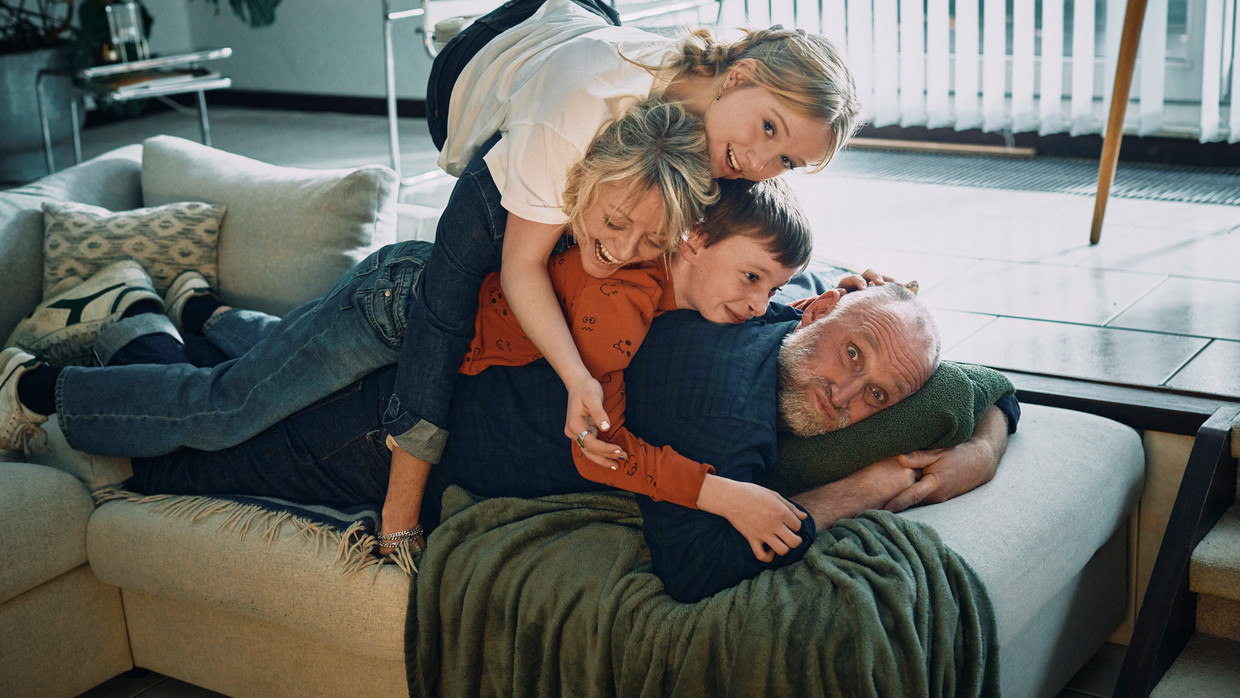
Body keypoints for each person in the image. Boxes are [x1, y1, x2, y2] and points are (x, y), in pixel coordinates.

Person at [0, 98, 715, 548]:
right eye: (613, 223)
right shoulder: (545, 191)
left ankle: (198, 309)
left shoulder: (643, 254)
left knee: (277, 365)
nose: (620, 250)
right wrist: (399, 517)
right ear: (584, 185)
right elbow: (438, 363)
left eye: (649, 243)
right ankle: (38, 388)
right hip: (392, 311)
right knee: (228, 407)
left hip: (410, 320)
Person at [406, 0, 862, 502]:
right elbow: (522, 265)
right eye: (769, 127)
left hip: (582, 20)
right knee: (467, 278)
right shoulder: (580, 112)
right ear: (738, 76)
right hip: (477, 63)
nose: (758, 162)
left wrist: (837, 308)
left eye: (787, 161)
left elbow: (748, 248)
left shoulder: (726, 142)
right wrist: (576, 376)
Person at [433, 281, 1018, 601]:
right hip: (405, 419)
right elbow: (696, 570)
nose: (844, 396)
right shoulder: (732, 416)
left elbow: (988, 386)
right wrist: (862, 489)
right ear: (825, 308)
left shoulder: (778, 310)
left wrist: (984, 450)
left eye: (879, 397)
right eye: (852, 354)